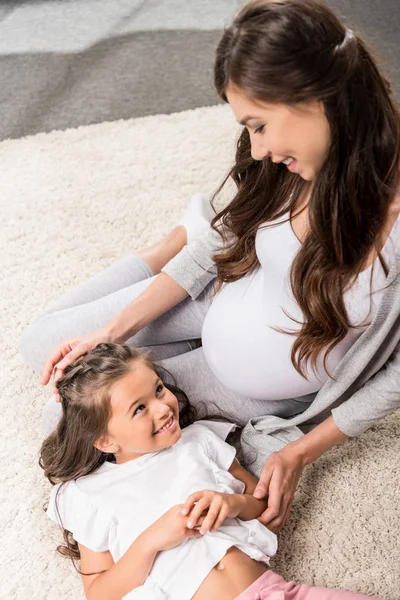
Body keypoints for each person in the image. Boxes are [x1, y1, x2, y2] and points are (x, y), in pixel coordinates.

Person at [20, 0, 400, 533]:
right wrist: (110, 332)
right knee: (42, 345)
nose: (259, 149)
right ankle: (175, 237)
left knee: (64, 422)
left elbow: (396, 376)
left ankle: (176, 251)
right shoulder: (289, 164)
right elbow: (229, 236)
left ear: (317, 100)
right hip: (220, 293)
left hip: (251, 383)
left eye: (260, 125)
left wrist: (301, 451)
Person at [41, 342, 379, 600]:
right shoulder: (89, 494)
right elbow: (100, 593)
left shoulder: (199, 439)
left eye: (158, 389)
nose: (163, 407)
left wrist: (230, 504)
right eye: (140, 408)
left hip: (273, 591)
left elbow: (263, 507)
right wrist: (152, 540)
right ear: (105, 440)